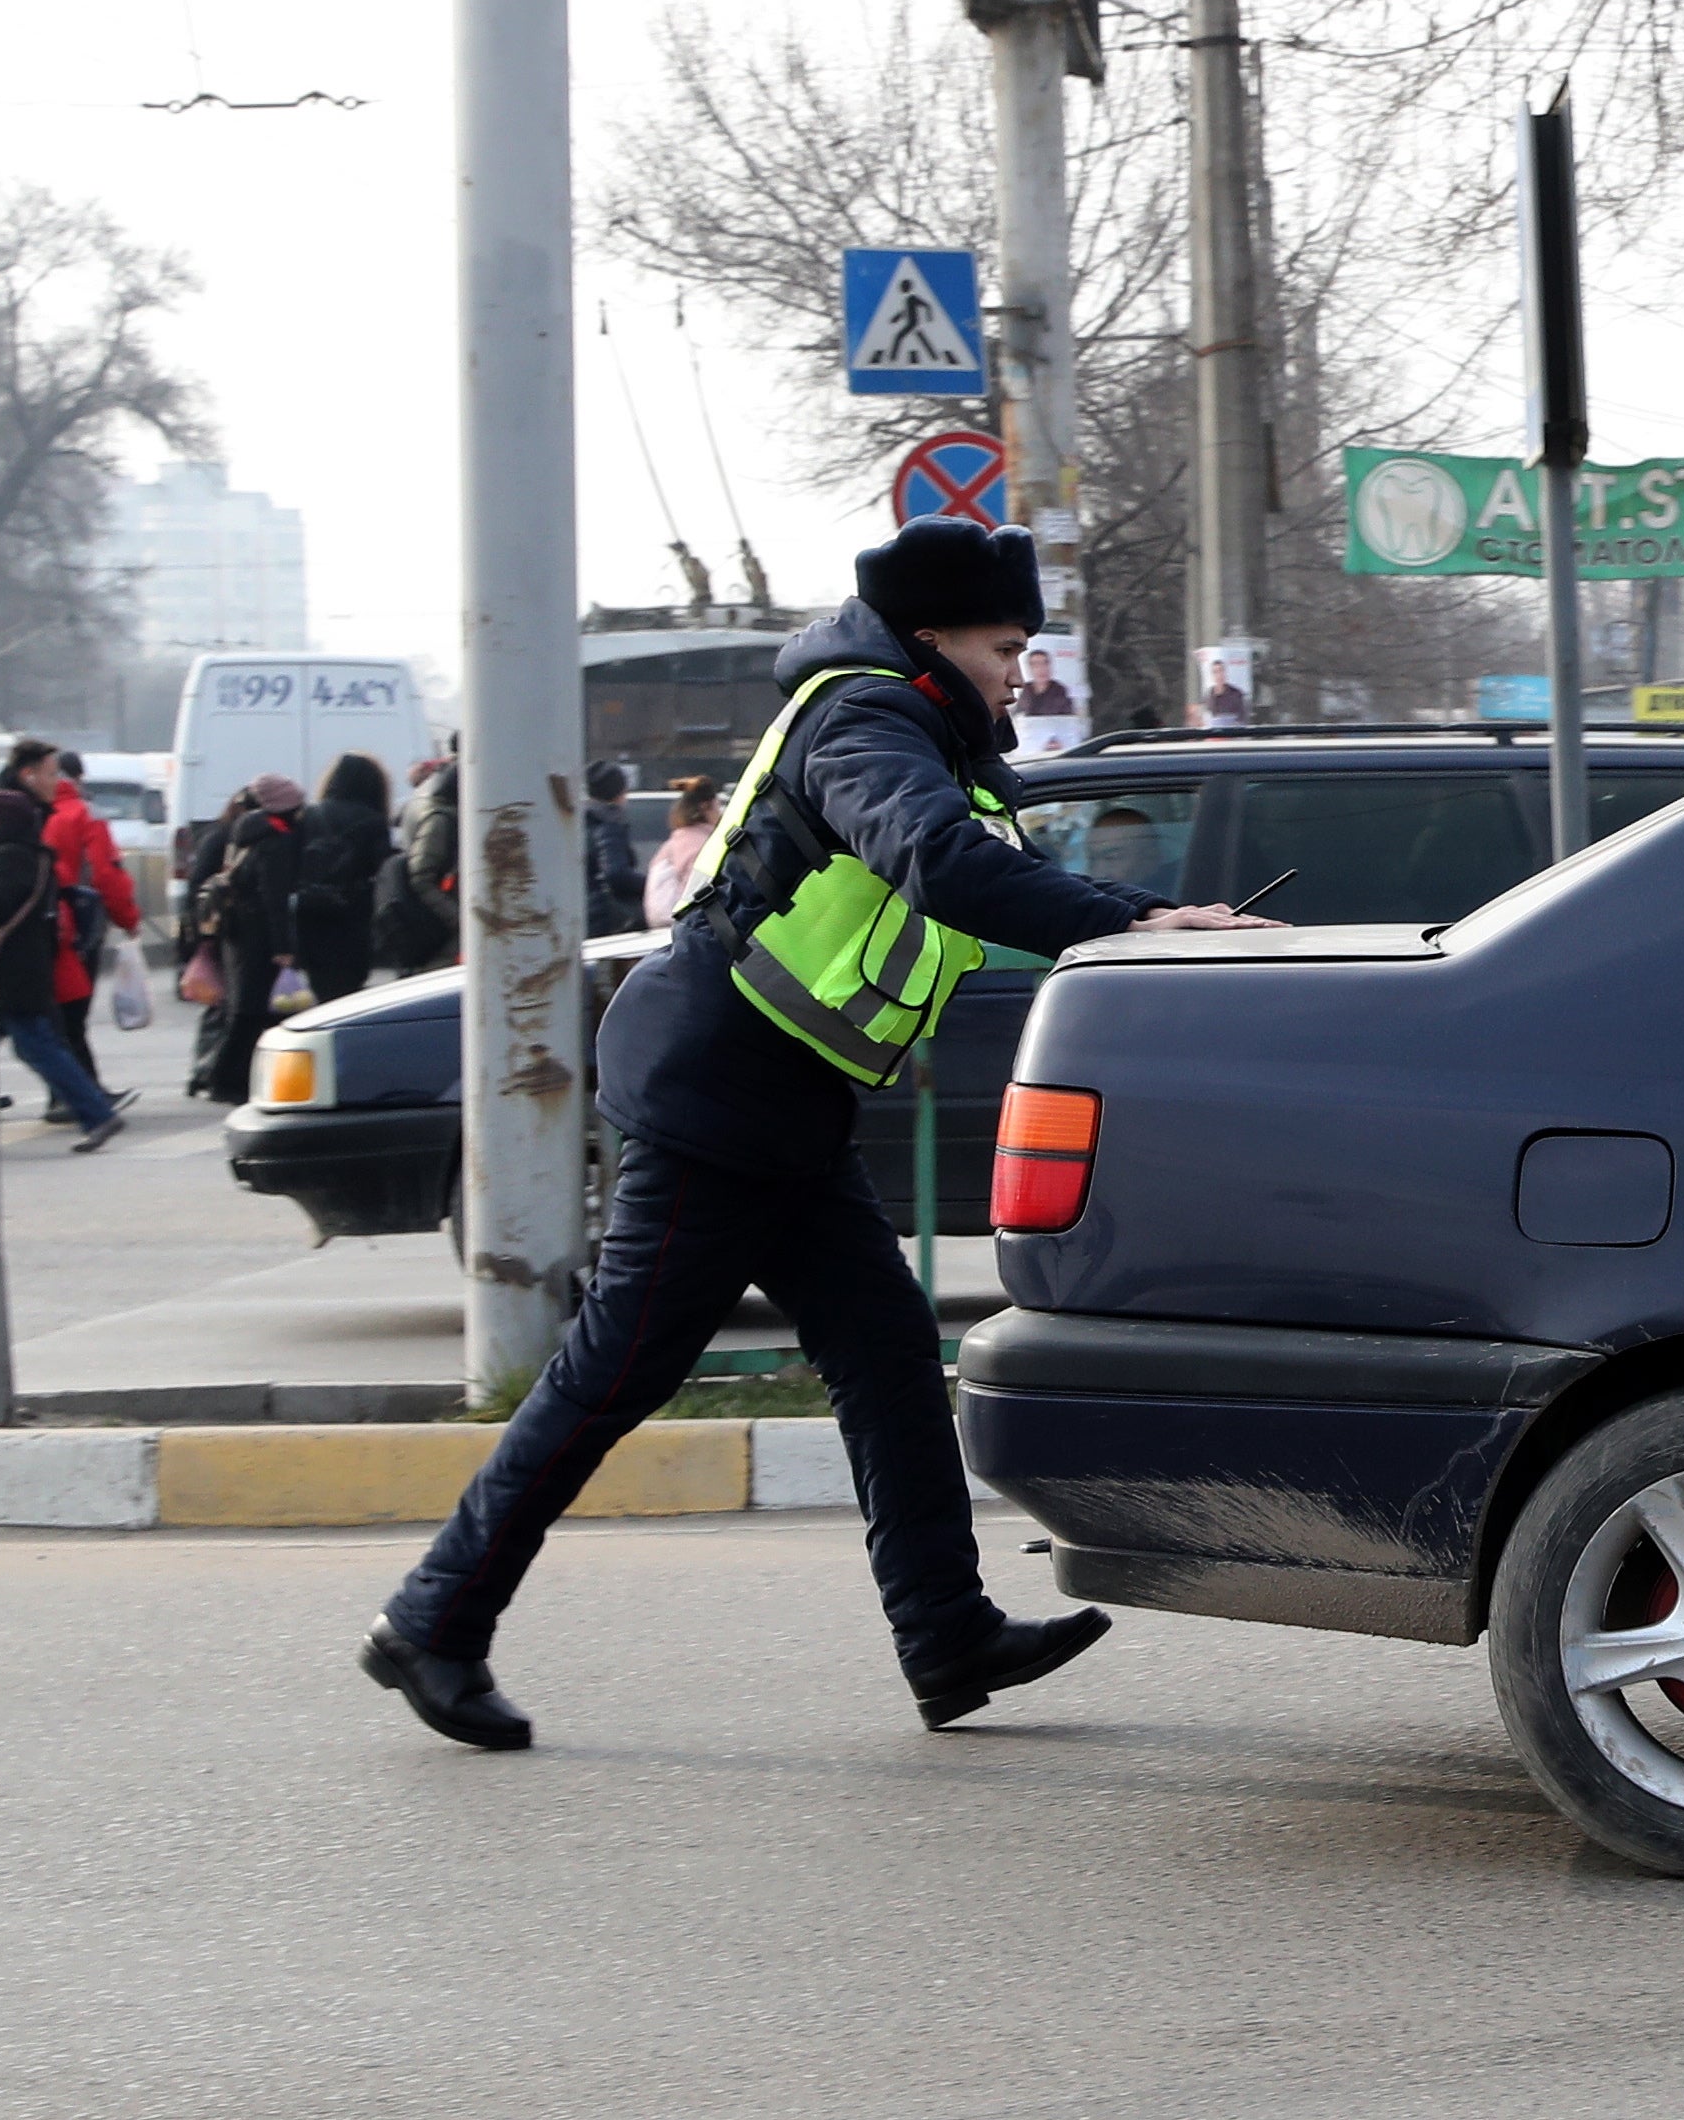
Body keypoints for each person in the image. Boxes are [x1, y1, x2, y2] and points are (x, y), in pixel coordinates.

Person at [366, 517, 1280, 1753]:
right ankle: (435, 1620)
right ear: (932, 637)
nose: (1022, 670)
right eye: (1006, 646)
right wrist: (1137, 919)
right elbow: (936, 863)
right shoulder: (863, 722)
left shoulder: (923, 726)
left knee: (890, 1351)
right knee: (616, 1372)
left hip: (777, 1095)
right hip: (713, 1087)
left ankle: (946, 1633)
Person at [0, 779, 128, 1151]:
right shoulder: (28, 853)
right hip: (16, 970)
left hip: (10, 971)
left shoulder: (11, 857)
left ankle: (97, 1113)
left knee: (27, 1044)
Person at [190, 778, 307, 1106]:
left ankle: (229, 1077)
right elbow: (275, 899)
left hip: (237, 933)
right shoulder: (276, 841)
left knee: (246, 1010)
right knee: (250, 1012)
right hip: (259, 937)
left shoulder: (244, 833)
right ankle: (226, 1078)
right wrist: (284, 948)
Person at [34, 746, 137, 1103]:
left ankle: (72, 1093)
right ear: (78, 778)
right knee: (72, 1012)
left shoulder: (32, 812)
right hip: (78, 923)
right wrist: (128, 919)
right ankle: (77, 1096)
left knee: (52, 1013)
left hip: (40, 924)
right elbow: (107, 873)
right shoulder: (84, 814)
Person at [293, 753, 393, 1004]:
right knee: (346, 990)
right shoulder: (373, 821)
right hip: (352, 914)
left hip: (310, 911)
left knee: (319, 983)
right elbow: (381, 869)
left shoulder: (309, 815)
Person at [379, 760, 460, 978]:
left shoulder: (439, 814)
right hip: (441, 938)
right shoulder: (441, 821)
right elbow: (421, 876)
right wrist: (457, 918)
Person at [581, 760, 651, 936]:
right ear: (619, 791)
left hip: (583, 912)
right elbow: (616, 873)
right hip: (605, 919)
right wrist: (650, 885)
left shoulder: (583, 820)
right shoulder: (608, 822)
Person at [641, 776, 719, 929]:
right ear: (705, 807)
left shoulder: (676, 840)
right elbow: (695, 889)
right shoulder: (698, 843)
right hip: (684, 927)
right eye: (717, 806)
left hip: (663, 926)